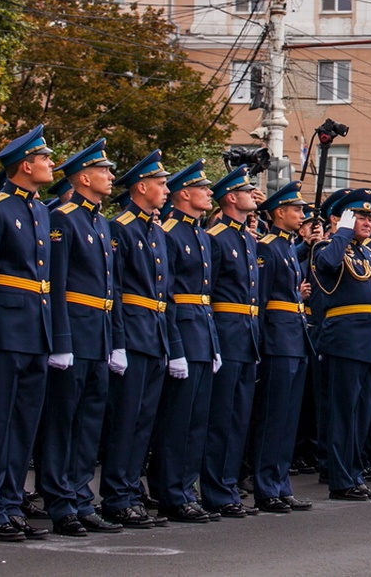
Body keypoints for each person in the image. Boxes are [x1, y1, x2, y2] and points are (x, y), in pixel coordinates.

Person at [0, 125, 56, 542]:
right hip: (5, 329)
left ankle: (8, 501)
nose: (51, 164)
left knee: (23, 423)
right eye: (45, 159)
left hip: (35, 331)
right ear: (26, 165)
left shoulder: (40, 210)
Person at [36, 139, 123, 536]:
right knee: (63, 421)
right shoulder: (64, 218)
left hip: (99, 335)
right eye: (103, 171)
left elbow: (111, 290)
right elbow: (56, 285)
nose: (110, 177)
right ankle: (59, 501)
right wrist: (61, 340)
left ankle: (80, 497)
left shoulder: (101, 222)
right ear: (84, 177)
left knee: (89, 422)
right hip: (74, 331)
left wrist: (115, 340)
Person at [100, 150, 173, 529]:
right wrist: (118, 341)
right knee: (125, 421)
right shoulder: (122, 227)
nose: (166, 189)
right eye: (160, 184)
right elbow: (115, 288)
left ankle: (130, 491)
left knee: (143, 421)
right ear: (141, 187)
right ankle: (116, 496)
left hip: (154, 334)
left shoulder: (155, 231)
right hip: (132, 331)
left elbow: (166, 294)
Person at [152, 160, 221, 524]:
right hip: (182, 334)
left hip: (202, 334)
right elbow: (171, 296)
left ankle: (185, 488)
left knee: (196, 421)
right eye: (204, 188)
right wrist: (175, 347)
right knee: (176, 422)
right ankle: (170, 493)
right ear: (184, 194)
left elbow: (205, 295)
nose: (211, 193)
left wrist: (213, 344)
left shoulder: (200, 235)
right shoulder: (169, 233)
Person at [311, 188, 371, 501]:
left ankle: (354, 474)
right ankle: (340, 479)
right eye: (359, 215)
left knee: (361, 414)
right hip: (345, 341)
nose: (368, 221)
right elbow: (327, 264)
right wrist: (342, 231)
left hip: (370, 341)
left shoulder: (365, 252)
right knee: (343, 413)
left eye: (370, 216)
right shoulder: (330, 245)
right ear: (339, 218)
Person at [250, 181, 314, 513]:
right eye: (297, 210)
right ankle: (266, 486)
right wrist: (259, 344)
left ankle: (280, 482)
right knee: (272, 418)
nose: (302, 215)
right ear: (279, 213)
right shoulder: (268, 247)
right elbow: (260, 301)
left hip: (294, 338)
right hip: (276, 339)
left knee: (288, 419)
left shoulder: (288, 247)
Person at [201, 166, 262, 518]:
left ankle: (227, 485)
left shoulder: (245, 238)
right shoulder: (217, 236)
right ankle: (215, 490)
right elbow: (207, 292)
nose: (252, 194)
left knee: (238, 417)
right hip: (225, 332)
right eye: (245, 190)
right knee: (220, 417)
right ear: (230, 198)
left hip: (246, 334)